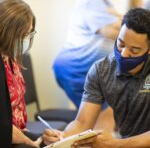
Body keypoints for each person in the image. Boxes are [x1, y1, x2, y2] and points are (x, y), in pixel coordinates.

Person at [42, 8, 150, 148]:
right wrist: (62, 138)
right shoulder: (101, 70)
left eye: (134, 50)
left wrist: (116, 145)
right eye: (121, 44)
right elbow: (82, 123)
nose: (123, 54)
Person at [53, 0, 121, 109]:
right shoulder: (91, 1)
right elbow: (112, 32)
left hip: (87, 69)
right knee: (98, 116)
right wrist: (128, 22)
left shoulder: (106, 3)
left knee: (104, 114)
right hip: (76, 69)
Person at [0, 0, 41, 147]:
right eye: (23, 34)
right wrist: (32, 141)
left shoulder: (11, 58)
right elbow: (4, 128)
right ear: (6, 31)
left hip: (17, 136)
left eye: (29, 33)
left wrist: (40, 137)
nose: (26, 39)